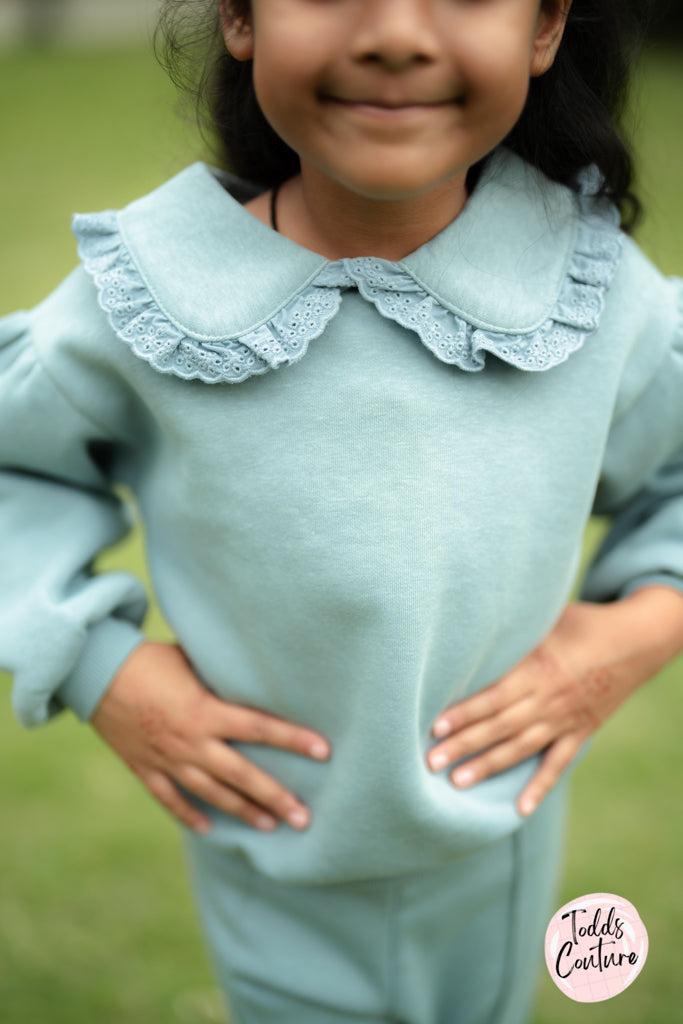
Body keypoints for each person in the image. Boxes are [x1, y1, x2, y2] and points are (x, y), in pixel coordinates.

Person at [1, 0, 682, 1021]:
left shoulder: (592, 293)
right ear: (239, 17)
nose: (396, 32)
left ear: (543, 28)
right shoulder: (148, 295)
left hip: (496, 851)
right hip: (263, 850)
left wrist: (629, 635)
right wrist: (101, 667)